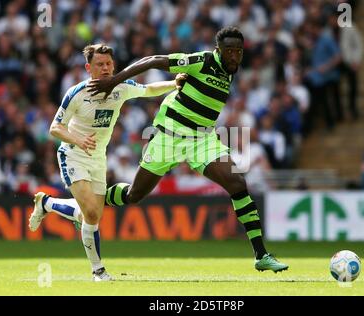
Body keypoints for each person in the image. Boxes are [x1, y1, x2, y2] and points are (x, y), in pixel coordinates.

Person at [87, 27, 289, 273]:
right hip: (168, 138)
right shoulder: (202, 61)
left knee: (237, 184)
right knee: (133, 196)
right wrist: (113, 80)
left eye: (238, 51)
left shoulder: (230, 70)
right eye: (230, 51)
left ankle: (261, 255)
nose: (235, 56)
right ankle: (92, 202)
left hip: (202, 140)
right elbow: (153, 60)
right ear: (218, 51)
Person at [28, 44, 186, 281]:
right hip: (73, 154)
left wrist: (173, 84)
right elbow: (55, 127)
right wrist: (78, 139)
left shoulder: (121, 88)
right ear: (88, 68)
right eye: (100, 64)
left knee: (90, 216)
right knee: (91, 213)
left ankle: (47, 204)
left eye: (109, 64)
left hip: (98, 157)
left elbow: (148, 89)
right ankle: (98, 271)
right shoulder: (76, 93)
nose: (105, 68)